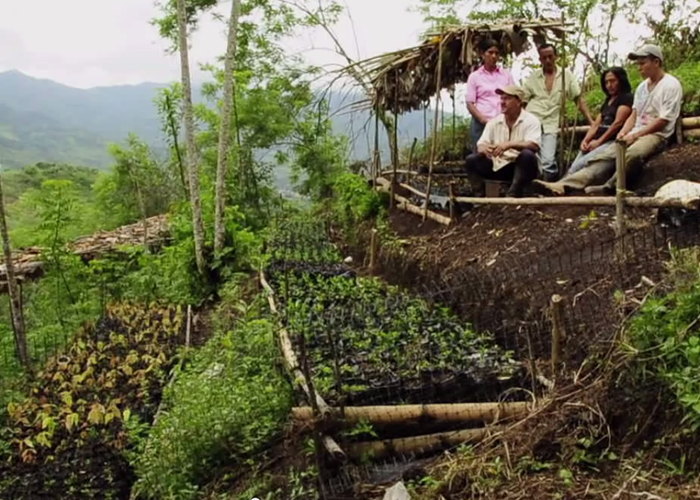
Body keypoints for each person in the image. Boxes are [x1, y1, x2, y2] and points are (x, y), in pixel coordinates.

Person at [532, 44, 683, 196]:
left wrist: (635, 135)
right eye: (638, 64)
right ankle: (563, 185)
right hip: (635, 131)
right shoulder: (642, 87)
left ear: (656, 62)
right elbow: (634, 114)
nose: (639, 68)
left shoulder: (670, 85)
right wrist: (624, 132)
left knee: (632, 153)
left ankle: (611, 187)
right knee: (603, 157)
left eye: (643, 63)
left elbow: (663, 120)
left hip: (656, 135)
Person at [523, 43, 593, 181]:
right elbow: (523, 101)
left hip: (551, 122)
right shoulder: (534, 77)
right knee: (530, 153)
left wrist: (590, 120)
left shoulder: (566, 76)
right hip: (532, 120)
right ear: (540, 60)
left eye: (550, 56)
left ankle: (547, 184)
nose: (548, 60)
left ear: (556, 56)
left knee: (548, 160)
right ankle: (534, 184)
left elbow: (578, 98)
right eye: (544, 58)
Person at [464, 85, 541, 198]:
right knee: (471, 160)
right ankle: (479, 198)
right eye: (502, 98)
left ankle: (513, 193)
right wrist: (486, 150)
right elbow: (481, 145)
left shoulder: (531, 120)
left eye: (507, 98)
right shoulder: (494, 122)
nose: (503, 102)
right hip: (500, 166)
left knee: (527, 155)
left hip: (522, 168)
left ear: (518, 102)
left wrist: (509, 145)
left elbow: (534, 145)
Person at [568, 67, 634, 174]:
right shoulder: (608, 101)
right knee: (574, 166)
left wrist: (599, 142)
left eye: (612, 81)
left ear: (621, 80)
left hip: (611, 141)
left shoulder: (627, 98)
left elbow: (618, 123)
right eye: (606, 82)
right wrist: (585, 140)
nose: (609, 85)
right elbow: (596, 124)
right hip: (597, 139)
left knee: (579, 166)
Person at [465, 39, 515, 149]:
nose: (494, 56)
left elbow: (514, 97)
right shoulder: (475, 77)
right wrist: (483, 120)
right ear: (482, 54)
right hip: (481, 125)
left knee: (503, 154)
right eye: (490, 52)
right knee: (481, 155)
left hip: (503, 123)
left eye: (496, 53)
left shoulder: (506, 75)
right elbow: (470, 103)